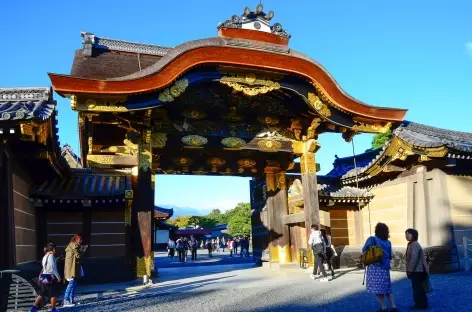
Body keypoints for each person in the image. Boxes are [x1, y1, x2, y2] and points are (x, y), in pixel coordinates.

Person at [362, 223, 397, 312]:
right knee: (387, 288)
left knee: (377, 289)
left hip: (374, 267)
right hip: (385, 267)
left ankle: (383, 307)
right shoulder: (388, 242)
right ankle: (393, 306)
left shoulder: (371, 239)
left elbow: (364, 250)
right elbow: (390, 256)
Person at [29, 242, 62, 312]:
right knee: (54, 294)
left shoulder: (44, 257)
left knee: (42, 293)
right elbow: (53, 268)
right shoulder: (51, 256)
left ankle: (33, 308)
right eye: (54, 249)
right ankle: (53, 309)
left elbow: (44, 267)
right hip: (51, 277)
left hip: (44, 277)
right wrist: (58, 277)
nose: (55, 250)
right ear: (52, 249)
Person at [405, 228, 429, 310]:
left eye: (409, 234)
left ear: (414, 235)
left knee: (417, 289)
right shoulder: (411, 244)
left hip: (418, 270)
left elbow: (413, 259)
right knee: (419, 288)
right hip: (418, 270)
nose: (407, 236)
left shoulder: (414, 244)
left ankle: (419, 305)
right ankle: (423, 304)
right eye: (406, 234)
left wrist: (410, 271)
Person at [63, 234, 88, 307]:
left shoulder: (70, 245)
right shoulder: (75, 246)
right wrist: (83, 249)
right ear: (77, 239)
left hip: (70, 268)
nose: (81, 241)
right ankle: (66, 300)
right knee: (71, 283)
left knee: (73, 283)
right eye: (80, 240)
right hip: (72, 268)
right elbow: (78, 256)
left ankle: (70, 300)